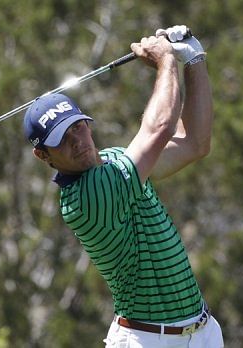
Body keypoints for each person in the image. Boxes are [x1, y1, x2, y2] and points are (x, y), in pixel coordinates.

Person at [23, 25, 223, 348]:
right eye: (62, 140)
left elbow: (196, 143)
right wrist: (166, 61)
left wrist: (194, 59)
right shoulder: (87, 198)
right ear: (42, 155)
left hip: (201, 332)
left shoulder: (116, 158)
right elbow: (159, 126)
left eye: (77, 127)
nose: (78, 142)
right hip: (148, 340)